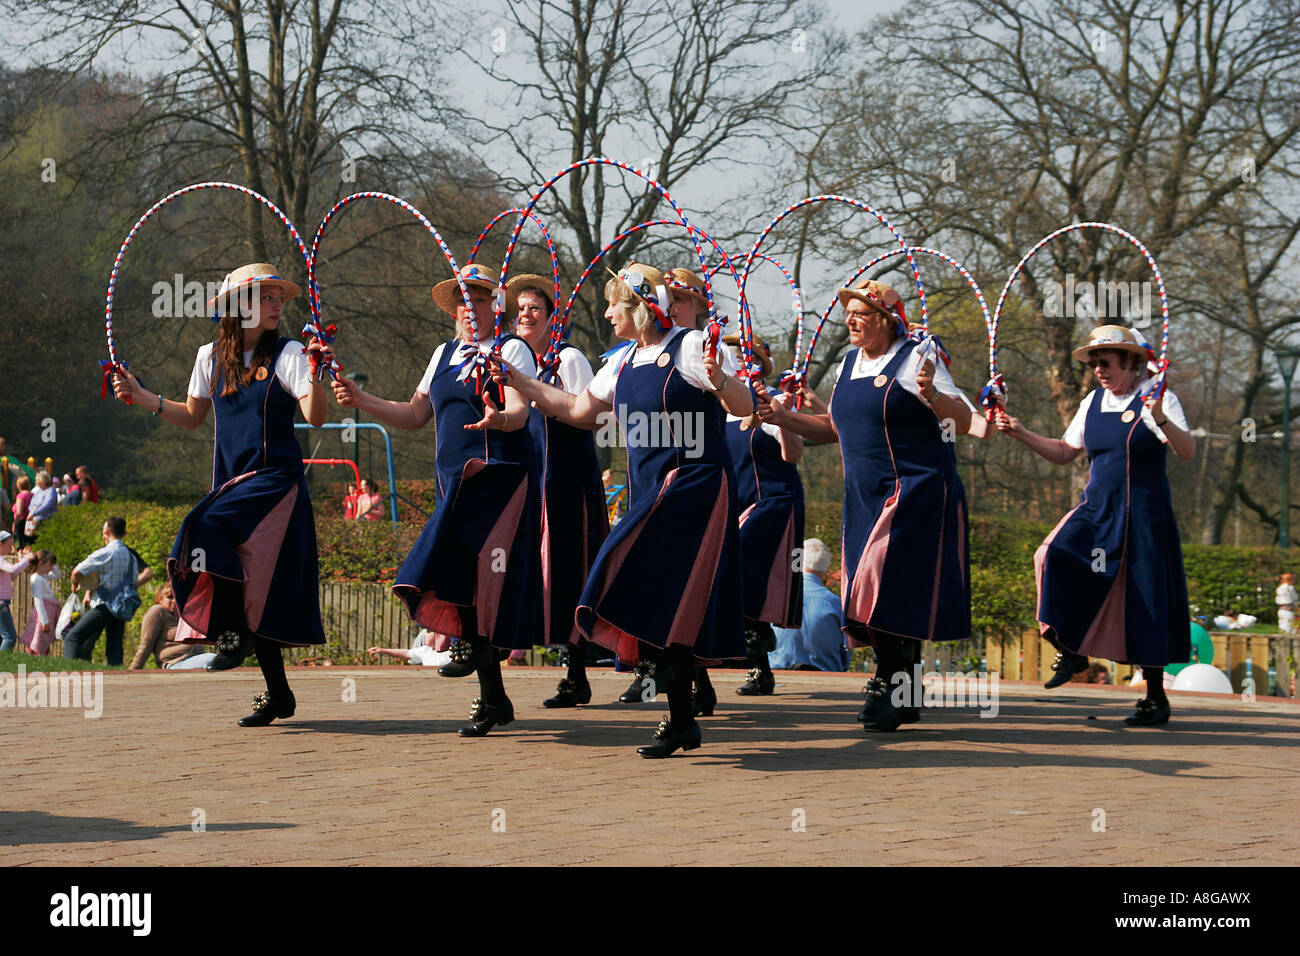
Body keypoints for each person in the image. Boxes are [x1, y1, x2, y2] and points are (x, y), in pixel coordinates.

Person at [491, 263, 753, 757]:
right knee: (655, 599)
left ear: (639, 306)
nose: (608, 313)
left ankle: (679, 712)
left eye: (615, 304)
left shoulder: (693, 347)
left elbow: (743, 407)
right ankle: (680, 720)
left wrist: (720, 381)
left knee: (634, 580)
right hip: (651, 496)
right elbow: (577, 412)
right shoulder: (622, 361)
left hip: (695, 489)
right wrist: (519, 381)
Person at [759, 278, 983, 732]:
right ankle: (908, 688)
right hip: (863, 495)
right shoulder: (848, 365)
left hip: (915, 490)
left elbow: (965, 422)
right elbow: (834, 428)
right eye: (848, 314)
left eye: (861, 313)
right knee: (890, 589)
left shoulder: (918, 358)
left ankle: (887, 682)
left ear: (887, 320)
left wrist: (933, 395)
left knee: (877, 586)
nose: (851, 321)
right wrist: (784, 417)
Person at [112, 262, 332, 723]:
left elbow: (314, 417)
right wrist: (141, 395)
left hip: (275, 484)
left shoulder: (290, 352)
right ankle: (278, 693)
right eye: (265, 296)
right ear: (239, 305)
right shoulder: (209, 357)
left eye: (279, 297)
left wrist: (316, 370)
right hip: (232, 483)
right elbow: (192, 416)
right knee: (256, 587)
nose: (276, 305)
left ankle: (233, 632)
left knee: (201, 524)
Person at [332, 262, 540, 737]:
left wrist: (497, 420)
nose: (472, 308)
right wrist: (362, 400)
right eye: (464, 300)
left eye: (482, 299)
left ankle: (482, 679)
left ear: (496, 306)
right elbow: (414, 413)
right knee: (464, 582)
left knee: (474, 579)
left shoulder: (513, 351)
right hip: (453, 484)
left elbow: (520, 412)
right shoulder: (442, 353)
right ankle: (496, 698)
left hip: (497, 479)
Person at [995, 324, 1195, 727]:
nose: (1097, 370)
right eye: (1093, 364)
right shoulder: (1092, 402)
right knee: (1050, 554)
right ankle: (1070, 648)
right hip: (1097, 509)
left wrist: (1160, 419)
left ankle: (1155, 697)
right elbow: (1066, 452)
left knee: (1143, 600)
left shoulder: (1158, 397)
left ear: (1130, 361)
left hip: (1144, 515)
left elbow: (1187, 450)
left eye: (1104, 362)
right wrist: (1019, 432)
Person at [507, 273, 609, 708]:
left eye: (534, 308)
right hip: (535, 482)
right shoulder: (511, 362)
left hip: (569, 482)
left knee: (573, 567)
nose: (525, 315)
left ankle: (580, 668)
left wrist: (536, 393)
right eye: (520, 309)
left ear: (552, 318)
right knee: (538, 572)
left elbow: (591, 417)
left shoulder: (568, 359)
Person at [719, 335, 806, 697]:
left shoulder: (770, 400)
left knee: (741, 564)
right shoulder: (720, 405)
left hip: (773, 499)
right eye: (733, 355)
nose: (737, 360)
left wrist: (783, 417)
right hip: (733, 501)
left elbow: (793, 454)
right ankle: (760, 666)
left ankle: (757, 637)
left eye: (744, 356)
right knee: (735, 574)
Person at [63, 516, 154, 665]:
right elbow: (144, 574)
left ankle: (69, 671)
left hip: (104, 606)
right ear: (124, 533)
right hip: (121, 606)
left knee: (73, 637)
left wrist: (74, 585)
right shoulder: (131, 555)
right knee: (114, 648)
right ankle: (117, 679)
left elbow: (76, 572)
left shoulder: (105, 552)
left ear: (106, 531)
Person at [770, 538, 848, 672]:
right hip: (827, 680)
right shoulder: (837, 605)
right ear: (825, 567)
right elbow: (845, 654)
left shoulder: (775, 600)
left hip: (778, 676)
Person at [129, 583, 211, 669]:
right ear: (160, 599)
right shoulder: (157, 611)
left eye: (177, 597)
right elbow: (146, 643)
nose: (174, 601)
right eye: (170, 597)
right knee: (212, 660)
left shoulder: (186, 616)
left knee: (220, 660)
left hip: (197, 657)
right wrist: (133, 670)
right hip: (175, 662)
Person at [19, 549, 61, 656]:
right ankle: (36, 658)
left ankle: (42, 658)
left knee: (44, 640)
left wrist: (50, 564)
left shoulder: (44, 575)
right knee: (38, 640)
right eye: (50, 565)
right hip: (42, 615)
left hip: (48, 613)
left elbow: (58, 574)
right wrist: (44, 621)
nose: (52, 568)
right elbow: (38, 601)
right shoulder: (36, 579)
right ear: (41, 563)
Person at [0, 530, 34, 652]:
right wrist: (27, 559)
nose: (11, 549)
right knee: (10, 637)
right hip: (1, 602)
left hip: (3, 602)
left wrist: (21, 560)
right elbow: (11, 570)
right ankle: (3, 664)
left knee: (5, 636)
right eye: (9, 546)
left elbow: (12, 575)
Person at [368, 629, 453, 667]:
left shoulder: (452, 652)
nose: (425, 634)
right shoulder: (424, 651)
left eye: (429, 631)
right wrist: (383, 650)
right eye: (428, 631)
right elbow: (406, 653)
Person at [11, 475, 33, 548]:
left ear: (19, 486)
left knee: (21, 542)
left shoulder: (21, 496)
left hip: (21, 521)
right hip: (30, 520)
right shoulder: (32, 495)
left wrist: (15, 523)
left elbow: (19, 512)